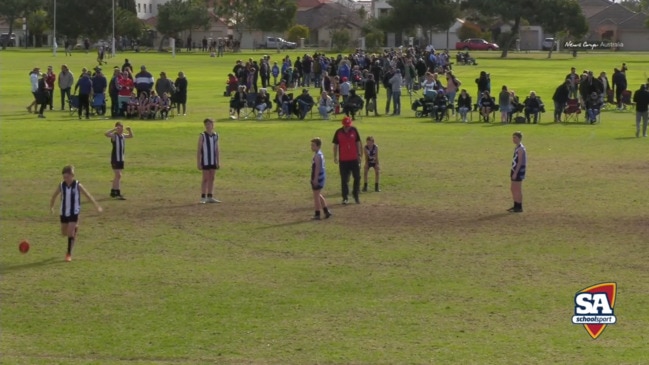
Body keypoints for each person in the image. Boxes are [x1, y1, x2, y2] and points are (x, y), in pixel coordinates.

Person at [49, 165, 103, 262]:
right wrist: (52, 207)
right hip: (64, 212)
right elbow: (54, 196)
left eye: (67, 177)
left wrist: (97, 206)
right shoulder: (61, 185)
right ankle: (75, 228)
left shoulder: (77, 185)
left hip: (74, 212)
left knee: (70, 233)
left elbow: (88, 195)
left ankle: (68, 254)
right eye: (64, 177)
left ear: (72, 175)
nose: (65, 179)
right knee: (63, 233)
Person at [332, 116, 362, 205]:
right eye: (346, 125)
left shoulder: (354, 130)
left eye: (348, 125)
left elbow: (357, 142)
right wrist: (335, 156)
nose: (347, 127)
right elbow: (335, 145)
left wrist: (359, 154)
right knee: (344, 179)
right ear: (343, 125)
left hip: (354, 159)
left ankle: (355, 195)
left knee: (357, 177)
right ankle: (345, 197)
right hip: (343, 160)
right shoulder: (338, 132)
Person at [105, 122, 133, 200]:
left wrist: (130, 130)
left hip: (121, 158)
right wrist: (114, 129)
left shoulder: (123, 135)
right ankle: (117, 192)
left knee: (118, 176)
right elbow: (106, 133)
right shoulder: (114, 136)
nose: (120, 129)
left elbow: (131, 136)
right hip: (115, 158)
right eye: (119, 128)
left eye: (121, 127)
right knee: (118, 175)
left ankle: (113, 191)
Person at [197, 118, 221, 204]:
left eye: (210, 124)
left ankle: (210, 196)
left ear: (213, 125)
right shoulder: (202, 135)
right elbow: (199, 150)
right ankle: (203, 197)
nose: (208, 126)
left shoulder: (216, 135)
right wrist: (198, 162)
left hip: (213, 160)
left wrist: (218, 161)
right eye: (207, 124)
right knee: (205, 178)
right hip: (205, 160)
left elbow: (217, 149)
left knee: (212, 178)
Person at [310, 138, 332, 220]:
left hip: (318, 177)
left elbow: (317, 168)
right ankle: (326, 212)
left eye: (313, 145)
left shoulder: (317, 156)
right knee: (318, 195)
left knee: (316, 196)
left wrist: (315, 178)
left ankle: (317, 214)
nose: (311, 147)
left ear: (318, 146)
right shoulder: (319, 154)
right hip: (320, 176)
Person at [509, 132, 526, 213]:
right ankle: (515, 205)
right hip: (514, 169)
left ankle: (519, 207)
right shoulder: (517, 147)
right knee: (513, 188)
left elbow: (519, 162)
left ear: (519, 138)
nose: (513, 139)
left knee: (517, 189)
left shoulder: (520, 149)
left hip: (518, 170)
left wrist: (515, 172)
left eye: (515, 137)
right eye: (513, 137)